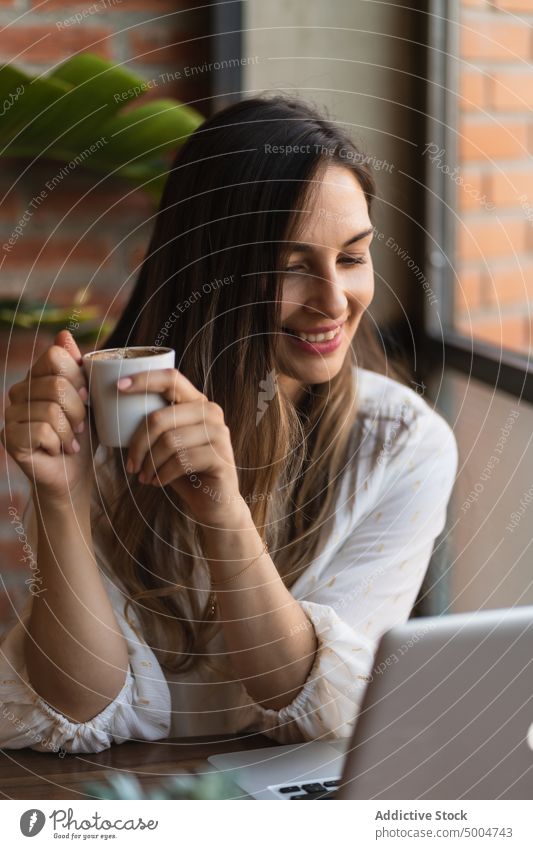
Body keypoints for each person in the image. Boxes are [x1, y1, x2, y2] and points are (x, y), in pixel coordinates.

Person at [0, 94, 458, 754]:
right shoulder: (113, 419)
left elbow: (322, 715)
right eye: (291, 266)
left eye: (352, 257)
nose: (334, 301)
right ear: (211, 270)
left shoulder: (401, 443)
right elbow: (78, 709)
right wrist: (60, 494)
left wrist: (225, 517)